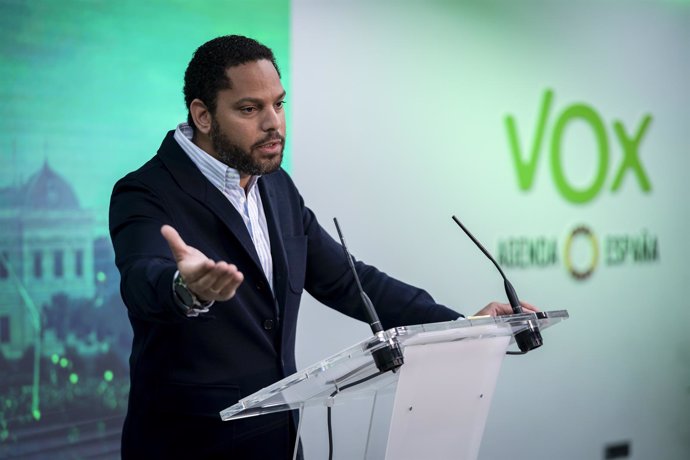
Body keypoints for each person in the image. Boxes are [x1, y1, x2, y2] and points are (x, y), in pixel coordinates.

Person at [109, 35, 536, 459]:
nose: (273, 122)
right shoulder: (146, 191)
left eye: (278, 104)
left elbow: (352, 282)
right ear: (203, 115)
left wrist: (461, 328)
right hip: (190, 446)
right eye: (249, 109)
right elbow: (143, 279)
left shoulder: (276, 186)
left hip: (281, 441)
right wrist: (185, 288)